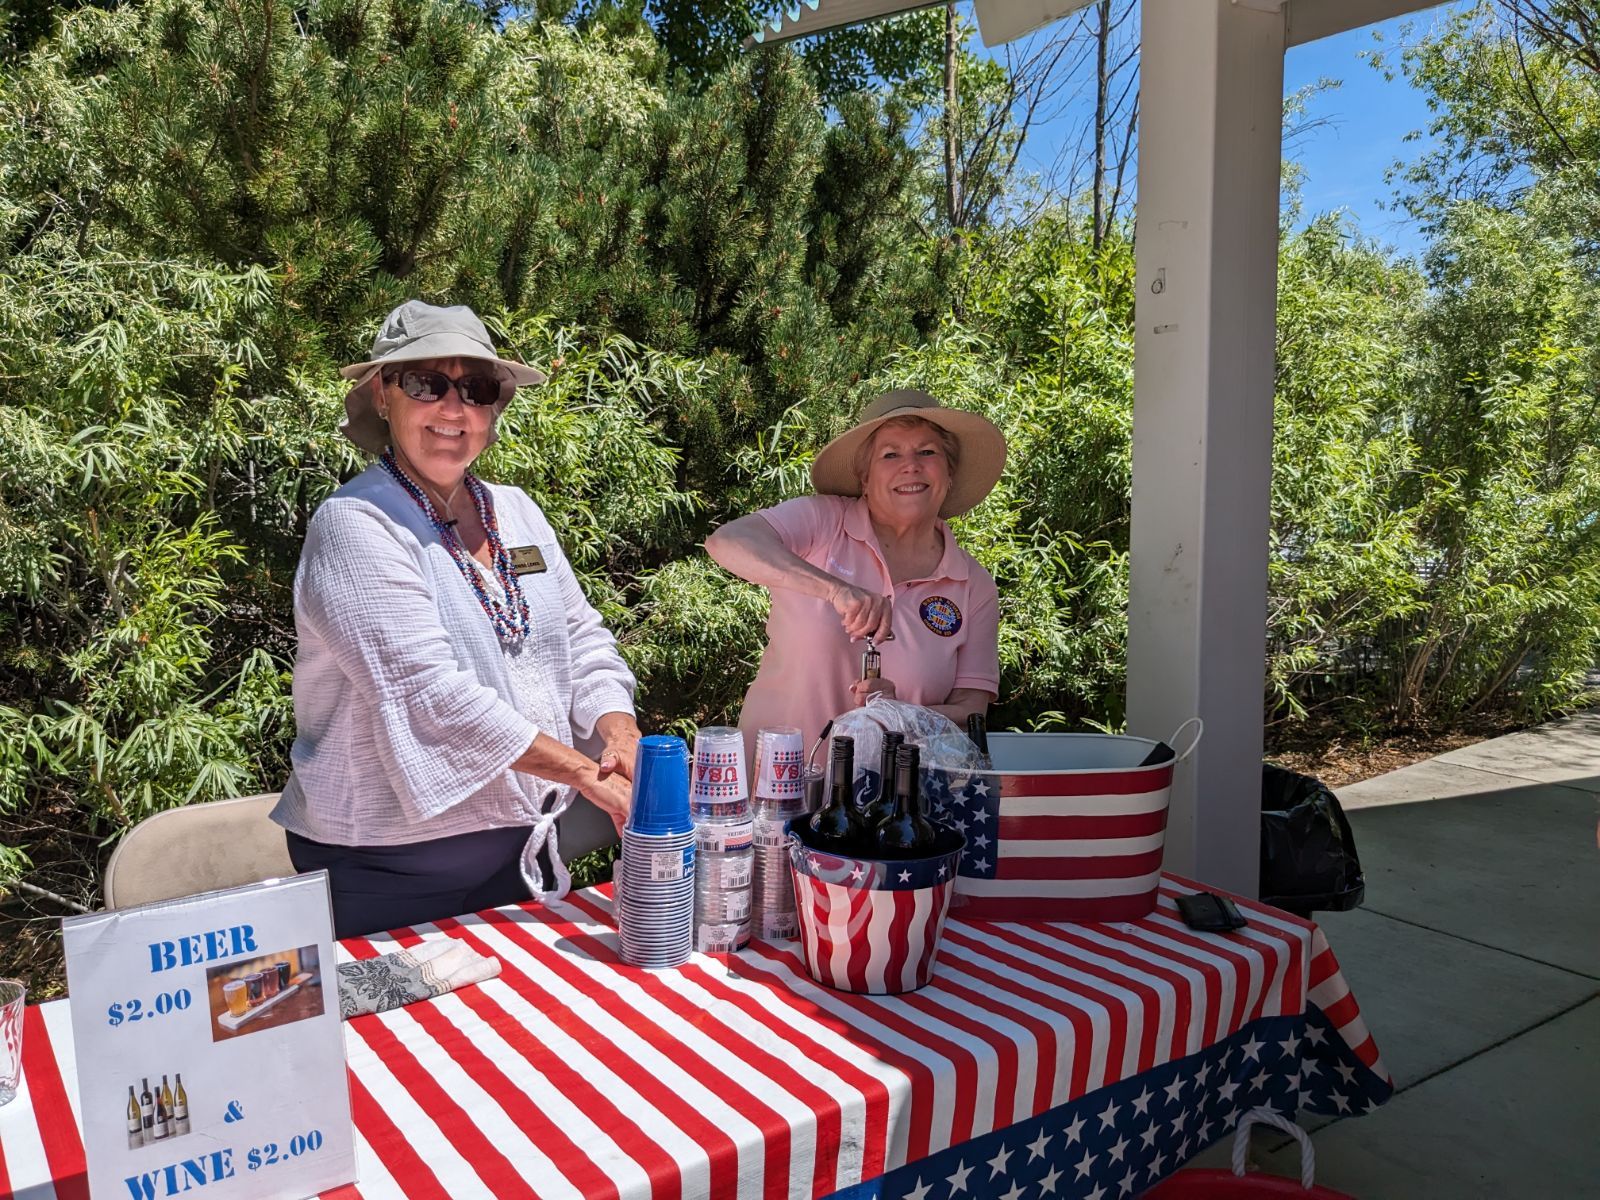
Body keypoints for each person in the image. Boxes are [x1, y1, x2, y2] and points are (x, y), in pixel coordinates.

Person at [271, 301, 641, 939]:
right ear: (383, 395)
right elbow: (431, 695)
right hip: (384, 871)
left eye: (476, 388)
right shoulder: (355, 523)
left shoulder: (517, 512)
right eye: (426, 383)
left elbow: (582, 641)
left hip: (518, 855)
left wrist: (621, 733)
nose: (453, 406)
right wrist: (586, 774)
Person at [705, 389, 1006, 756]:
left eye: (927, 452)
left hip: (895, 791)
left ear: (950, 472)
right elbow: (727, 542)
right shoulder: (823, 520)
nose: (910, 466)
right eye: (890, 454)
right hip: (776, 781)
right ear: (865, 478)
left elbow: (971, 714)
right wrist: (835, 590)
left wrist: (900, 715)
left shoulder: (972, 584)